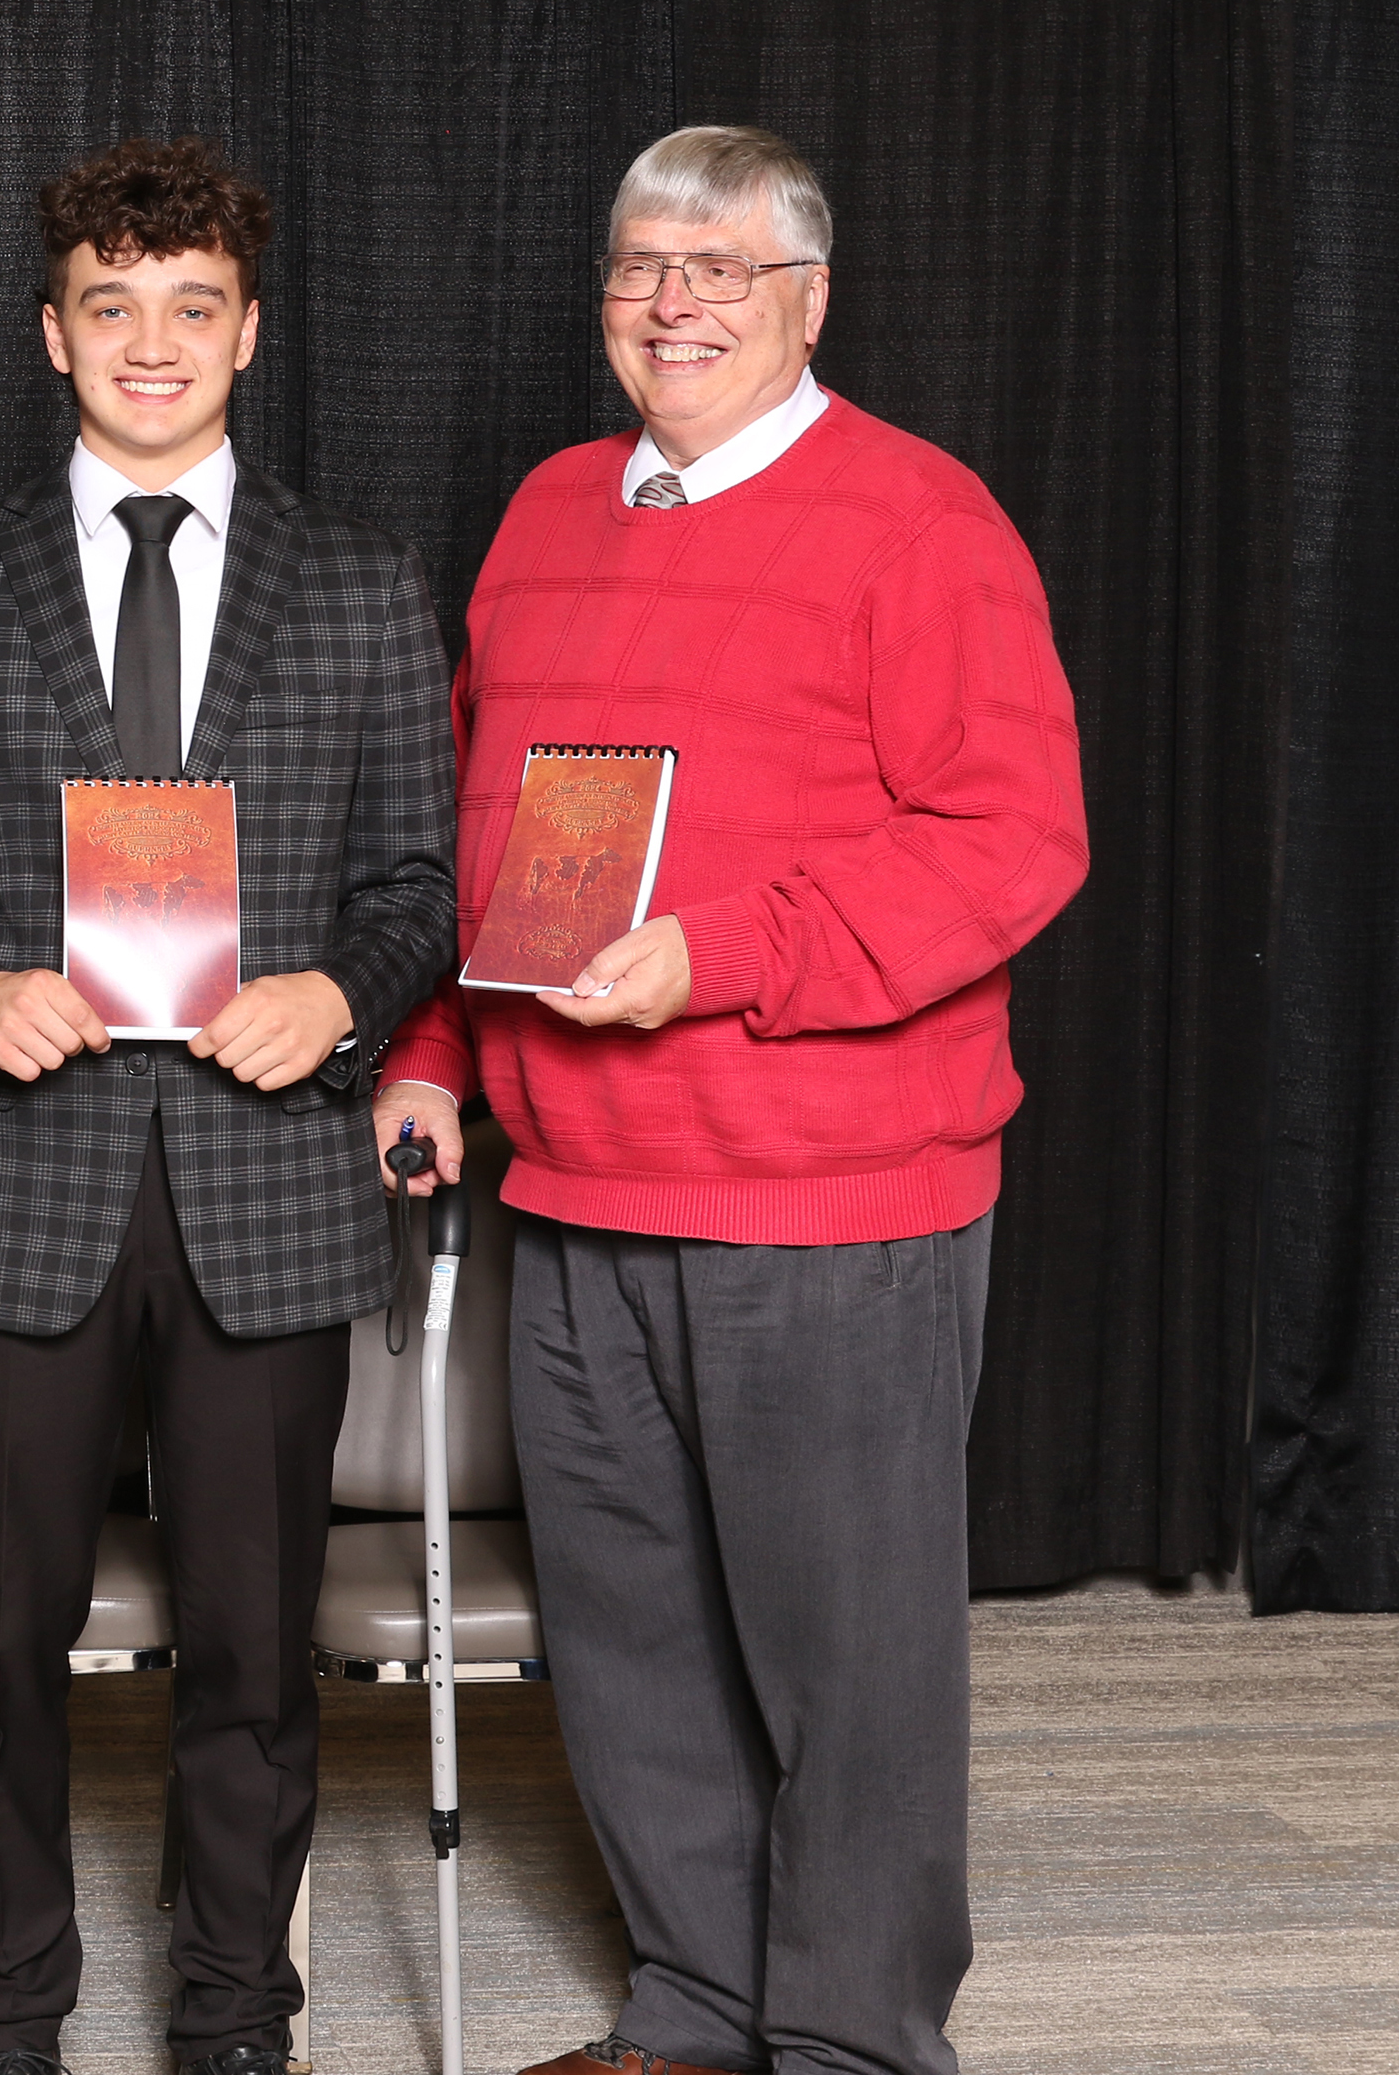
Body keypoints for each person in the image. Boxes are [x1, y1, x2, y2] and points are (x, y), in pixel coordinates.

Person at [372, 127, 1087, 2075]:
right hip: (582, 1193)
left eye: (720, 271)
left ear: (809, 302)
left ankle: (853, 2038)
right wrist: (436, 1053)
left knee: (847, 1667)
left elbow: (1013, 842)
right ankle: (691, 2006)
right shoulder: (542, 515)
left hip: (830, 1202)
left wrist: (729, 953)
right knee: (630, 1644)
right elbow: (483, 845)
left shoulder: (921, 526)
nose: (674, 303)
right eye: (641, 270)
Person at [0, 137, 456, 2075]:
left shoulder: (359, 588)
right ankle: (5, 2017)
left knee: (260, 1652)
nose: (155, 342)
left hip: (268, 1181)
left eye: (195, 307)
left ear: (249, 332)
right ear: (53, 334)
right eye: (115, 306)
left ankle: (234, 2019)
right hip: (28, 1174)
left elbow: (419, 891)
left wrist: (342, 997)